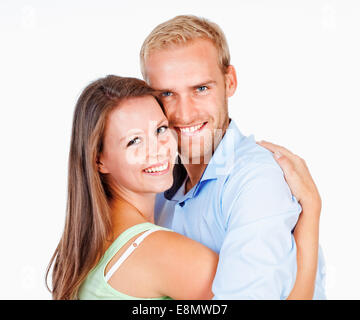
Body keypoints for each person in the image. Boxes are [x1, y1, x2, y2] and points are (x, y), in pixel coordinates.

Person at [46, 75, 321, 299]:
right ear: (99, 160)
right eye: (133, 141)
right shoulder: (160, 253)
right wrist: (311, 214)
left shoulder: (86, 250)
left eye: (161, 129)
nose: (158, 150)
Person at [140, 15, 326, 299]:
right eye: (167, 93)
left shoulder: (256, 180)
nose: (185, 113)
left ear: (230, 82)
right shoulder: (157, 184)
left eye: (201, 88)